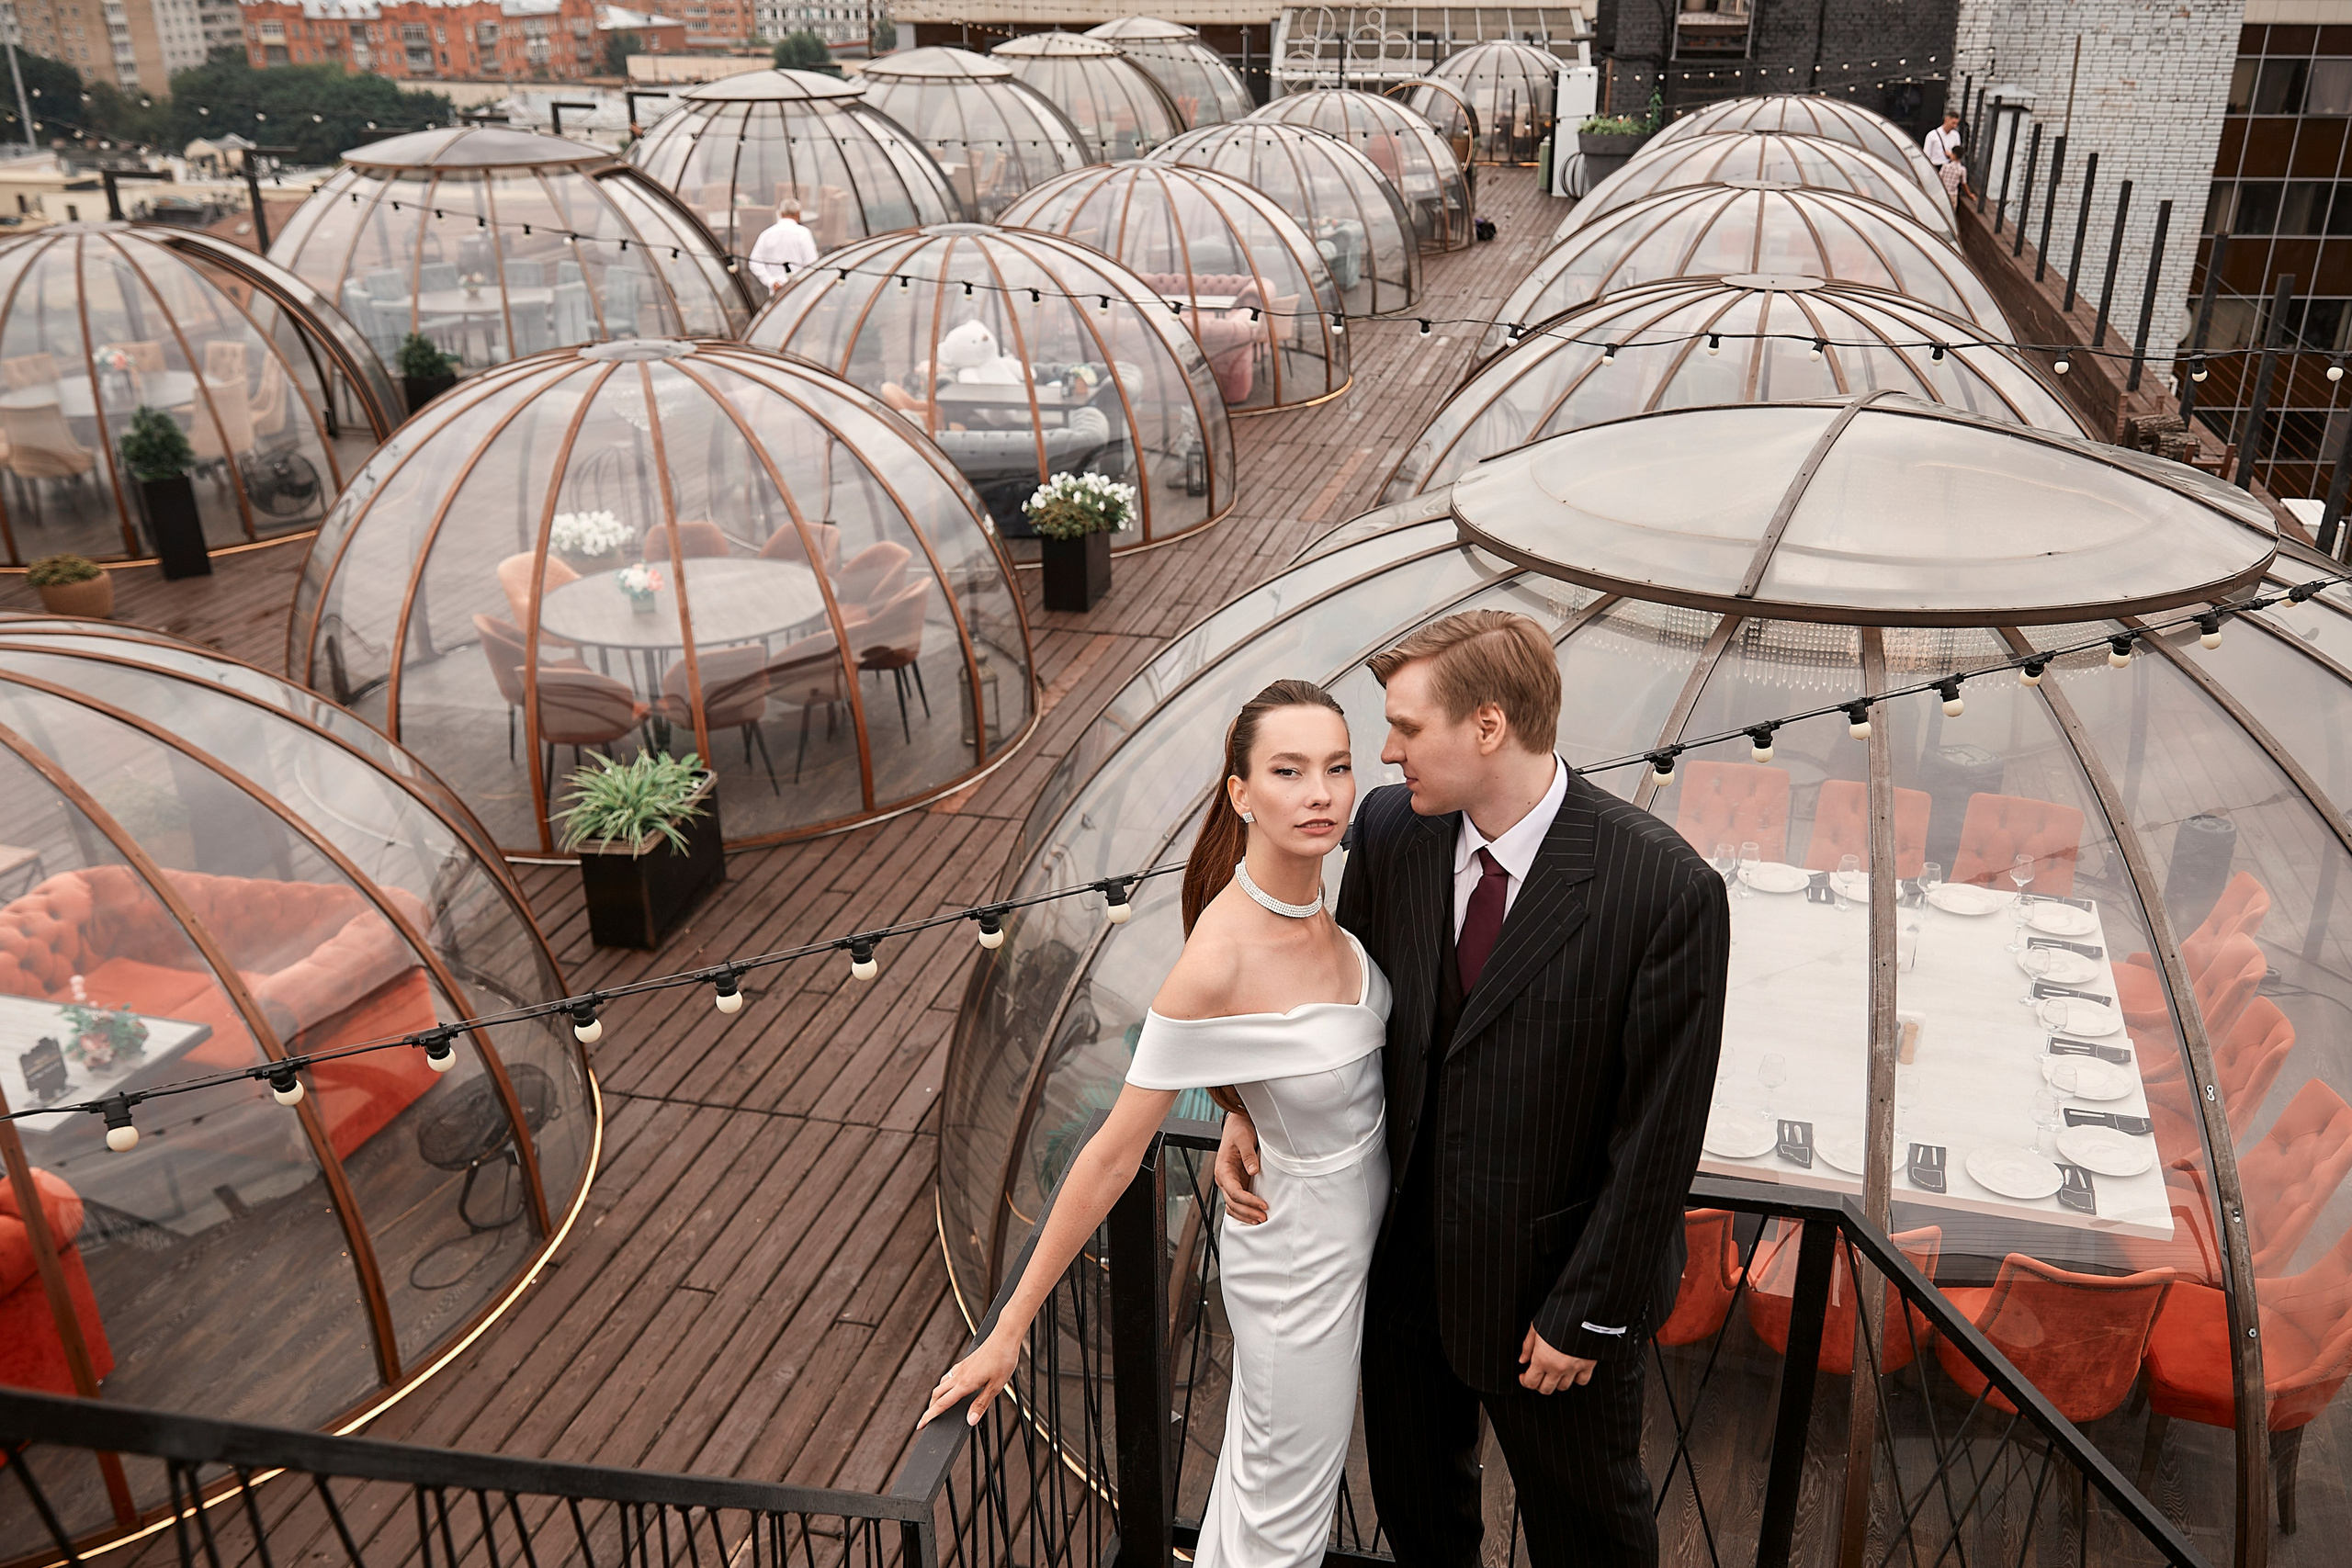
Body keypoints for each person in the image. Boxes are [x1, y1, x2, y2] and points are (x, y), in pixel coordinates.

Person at [1221, 610, 1729, 1567]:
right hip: (1402, 1280)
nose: (1383, 751)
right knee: (1420, 1528)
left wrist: (1584, 1311)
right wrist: (1251, 1109)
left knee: (1591, 1545)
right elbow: (1344, 1012)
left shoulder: (1661, 886)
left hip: (1552, 1304)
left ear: (1487, 726)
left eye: (1406, 728)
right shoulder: (1389, 832)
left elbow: (1660, 1133)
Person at [922, 679, 1390, 1566]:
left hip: (1353, 1231)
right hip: (1301, 1271)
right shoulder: (1216, 958)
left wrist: (1246, 1108)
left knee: (1265, 1499)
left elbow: (1297, 1059)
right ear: (1239, 790)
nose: (1320, 791)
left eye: (1336, 766)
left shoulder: (1325, 896)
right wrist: (1010, 1327)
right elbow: (1109, 1154)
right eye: (1288, 770)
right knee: (1284, 1529)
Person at [749, 202, 818, 289]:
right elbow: (812, 263)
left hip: (777, 292)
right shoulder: (803, 233)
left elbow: (754, 262)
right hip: (800, 289)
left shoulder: (766, 234)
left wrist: (770, 281)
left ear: (780, 214)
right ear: (798, 214)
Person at [1924, 108, 1967, 209]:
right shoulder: (1932, 135)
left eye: (1956, 124)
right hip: (1936, 166)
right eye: (1953, 123)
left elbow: (1958, 151)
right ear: (1946, 120)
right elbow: (1926, 154)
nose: (1954, 126)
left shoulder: (1956, 136)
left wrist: (1951, 155)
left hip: (1949, 167)